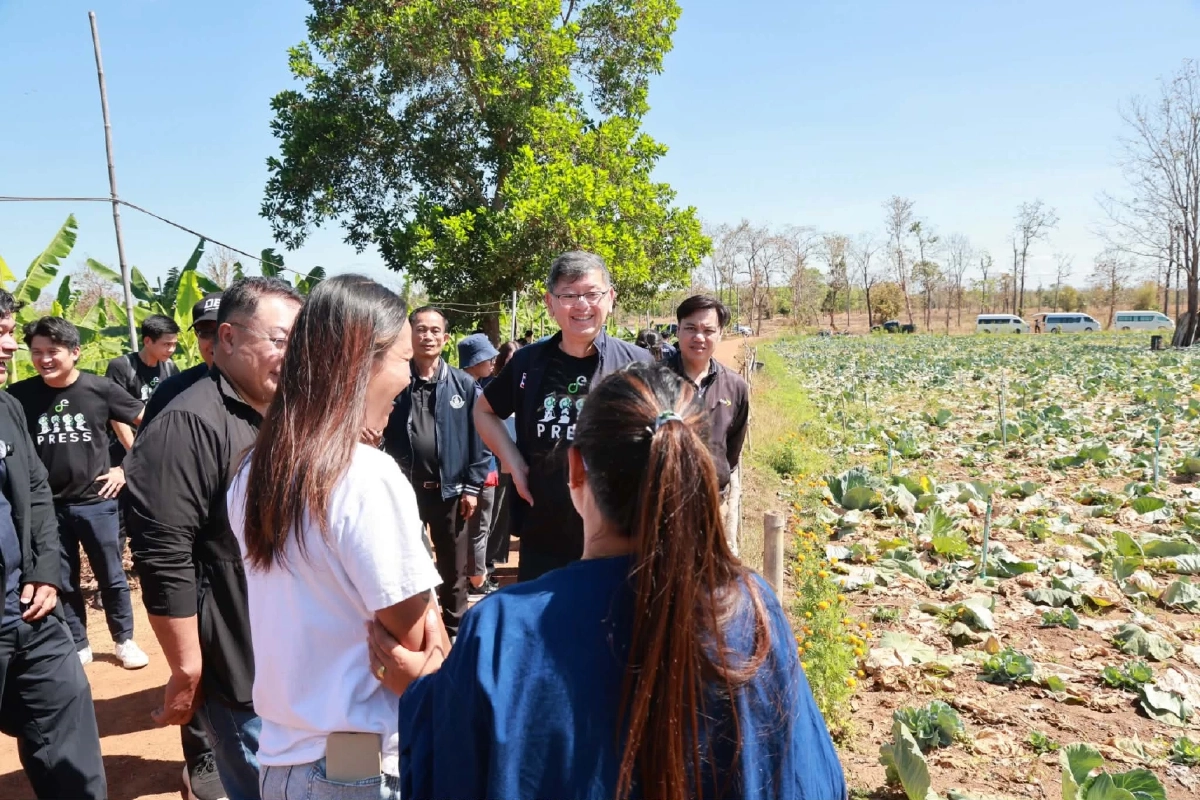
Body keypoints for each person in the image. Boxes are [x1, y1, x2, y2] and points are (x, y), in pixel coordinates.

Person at [373, 363, 846, 800]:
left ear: (575, 469)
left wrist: (426, 696)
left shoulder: (503, 629)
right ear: (700, 471)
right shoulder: (749, 611)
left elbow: (453, 779)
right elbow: (809, 780)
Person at [226, 275, 442, 800]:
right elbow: (414, 649)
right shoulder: (366, 475)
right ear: (360, 363)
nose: (409, 379)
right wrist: (438, 646)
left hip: (282, 762)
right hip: (357, 764)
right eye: (401, 360)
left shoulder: (256, 469)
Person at [126, 277, 303, 800]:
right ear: (227, 337)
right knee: (264, 784)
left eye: (300, 341)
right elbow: (164, 556)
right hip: (239, 665)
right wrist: (186, 669)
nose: (292, 355)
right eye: (280, 339)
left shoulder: (281, 411)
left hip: (292, 653)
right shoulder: (188, 422)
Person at [474, 251, 650, 582]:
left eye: (592, 293)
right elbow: (483, 411)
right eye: (568, 295)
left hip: (618, 535)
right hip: (544, 530)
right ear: (550, 303)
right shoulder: (528, 362)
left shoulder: (637, 365)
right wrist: (514, 462)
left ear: (610, 298)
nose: (581, 304)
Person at [0, 290, 107, 799]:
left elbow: (36, 491)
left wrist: (43, 570)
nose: (10, 347)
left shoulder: (7, 408)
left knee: (66, 724)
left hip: (30, 611)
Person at [7, 316, 150, 669]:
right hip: (47, 508)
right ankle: (80, 642)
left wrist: (125, 469)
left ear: (74, 352)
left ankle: (124, 639)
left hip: (96, 502)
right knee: (64, 579)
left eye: (52, 351)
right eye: (36, 352)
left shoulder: (99, 389)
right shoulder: (19, 396)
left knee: (112, 576)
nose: (44, 359)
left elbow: (153, 425)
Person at [132, 294, 226, 800]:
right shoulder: (175, 393)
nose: (213, 341)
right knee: (198, 662)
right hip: (194, 554)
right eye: (204, 332)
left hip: (244, 556)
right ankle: (201, 756)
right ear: (197, 339)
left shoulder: (268, 390)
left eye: (221, 329)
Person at [381, 307, 487, 637]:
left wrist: (472, 486)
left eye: (434, 331)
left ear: (445, 338)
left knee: (453, 570)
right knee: (407, 565)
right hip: (404, 493)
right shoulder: (395, 382)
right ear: (409, 336)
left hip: (451, 493)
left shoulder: (464, 385)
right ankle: (417, 631)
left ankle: (455, 632)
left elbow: (480, 437)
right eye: (420, 330)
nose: (427, 336)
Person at [666, 295, 749, 554]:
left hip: (715, 503)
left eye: (708, 330)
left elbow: (732, 447)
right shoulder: (654, 379)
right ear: (678, 330)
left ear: (720, 334)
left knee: (714, 584)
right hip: (663, 507)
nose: (699, 337)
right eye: (690, 328)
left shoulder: (735, 386)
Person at [455, 333, 501, 594]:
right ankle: (477, 581)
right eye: (489, 357)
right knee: (480, 528)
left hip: (462, 471)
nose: (493, 362)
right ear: (477, 361)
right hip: (482, 472)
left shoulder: (454, 386)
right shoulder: (475, 390)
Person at [140, 293, 221, 429]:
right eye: (206, 332)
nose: (217, 340)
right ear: (196, 335)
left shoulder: (262, 387)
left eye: (226, 332)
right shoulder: (173, 391)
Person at [106, 313, 180, 457]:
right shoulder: (121, 366)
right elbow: (116, 415)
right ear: (147, 341)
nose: (171, 350)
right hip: (124, 448)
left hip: (159, 446)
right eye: (166, 344)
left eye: (174, 344)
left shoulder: (170, 368)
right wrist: (134, 454)